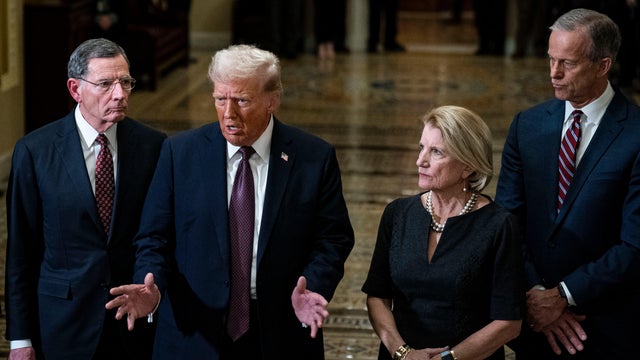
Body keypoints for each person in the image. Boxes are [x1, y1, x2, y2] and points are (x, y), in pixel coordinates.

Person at [104, 44, 355, 359]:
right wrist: (149, 285)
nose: (228, 113)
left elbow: (333, 239)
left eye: (242, 100)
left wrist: (315, 285)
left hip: (281, 331)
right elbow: (153, 236)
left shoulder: (313, 158)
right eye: (220, 99)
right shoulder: (179, 153)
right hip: (193, 332)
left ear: (272, 100)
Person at [4, 38, 166, 359]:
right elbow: (21, 252)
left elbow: (161, 236)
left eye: (125, 82)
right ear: (75, 89)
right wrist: (20, 339)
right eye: (106, 84)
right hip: (63, 323)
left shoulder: (155, 147)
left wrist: (153, 290)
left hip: (132, 323)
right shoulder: (35, 152)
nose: (119, 94)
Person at [496, 8, 640, 358]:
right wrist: (535, 295)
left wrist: (562, 296)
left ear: (603, 65)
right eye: (550, 59)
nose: (554, 74)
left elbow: (635, 245)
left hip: (606, 323)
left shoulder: (636, 134)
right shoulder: (526, 126)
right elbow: (506, 221)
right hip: (533, 323)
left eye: (567, 63)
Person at [362, 105, 524, 360]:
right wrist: (403, 352)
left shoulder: (500, 225)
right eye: (421, 147)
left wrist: (448, 358)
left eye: (436, 152)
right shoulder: (398, 213)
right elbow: (377, 297)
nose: (420, 161)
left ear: (468, 167)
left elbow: (508, 323)